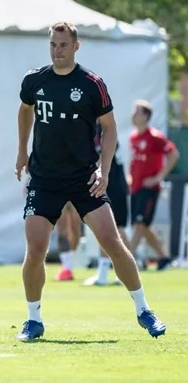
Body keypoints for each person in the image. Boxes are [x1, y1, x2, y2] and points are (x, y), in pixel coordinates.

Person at [15, 22, 166, 341]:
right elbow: (25, 110)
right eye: (53, 45)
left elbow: (109, 129)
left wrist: (105, 169)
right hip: (44, 179)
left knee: (113, 243)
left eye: (63, 45)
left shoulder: (91, 84)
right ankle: (33, 319)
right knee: (36, 249)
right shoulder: (34, 80)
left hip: (84, 178)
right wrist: (21, 151)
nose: (58, 50)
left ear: (76, 46)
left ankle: (144, 310)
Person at [128, 100, 178, 272]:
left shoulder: (155, 137)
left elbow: (173, 154)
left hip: (149, 188)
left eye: (137, 112)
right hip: (135, 187)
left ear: (146, 116)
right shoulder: (134, 137)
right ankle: (164, 257)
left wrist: (158, 177)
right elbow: (135, 162)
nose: (133, 115)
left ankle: (127, 259)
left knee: (141, 224)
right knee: (143, 225)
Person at [84, 122, 130, 286]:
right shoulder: (96, 128)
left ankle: (119, 272)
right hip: (109, 184)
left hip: (113, 185)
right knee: (108, 229)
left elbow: (100, 158)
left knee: (116, 229)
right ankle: (106, 272)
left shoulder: (104, 129)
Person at [54, 202, 81, 281]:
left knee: (76, 229)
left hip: (77, 191)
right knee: (62, 228)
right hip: (59, 191)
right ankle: (67, 265)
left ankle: (70, 263)